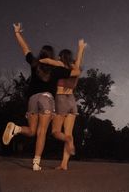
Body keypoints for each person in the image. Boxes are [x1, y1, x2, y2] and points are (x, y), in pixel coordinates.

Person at [2, 23, 80, 171]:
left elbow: (25, 48)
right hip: (46, 99)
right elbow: (76, 72)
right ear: (51, 56)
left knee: (31, 131)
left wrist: (17, 33)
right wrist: (58, 62)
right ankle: (36, 163)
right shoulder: (57, 69)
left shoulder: (34, 62)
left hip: (32, 99)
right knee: (41, 132)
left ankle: (16, 128)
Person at [40, 39, 86, 170]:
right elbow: (79, 60)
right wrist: (81, 48)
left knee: (55, 132)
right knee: (68, 134)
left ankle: (69, 142)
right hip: (72, 100)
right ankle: (64, 164)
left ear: (61, 57)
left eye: (59, 56)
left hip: (61, 99)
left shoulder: (61, 65)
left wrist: (39, 60)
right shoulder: (74, 67)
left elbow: (49, 61)